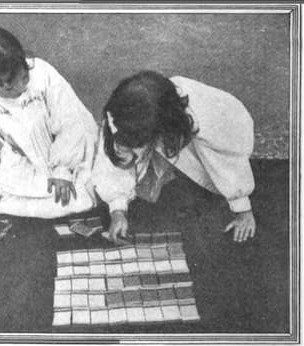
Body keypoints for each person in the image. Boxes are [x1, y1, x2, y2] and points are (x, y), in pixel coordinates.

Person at [92, 70, 256, 243]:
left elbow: (227, 159)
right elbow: (113, 157)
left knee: (208, 181)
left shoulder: (203, 117)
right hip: (166, 127)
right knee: (133, 162)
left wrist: (242, 208)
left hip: (227, 130)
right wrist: (118, 209)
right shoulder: (122, 113)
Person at [0, 26, 98, 220]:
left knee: (81, 198)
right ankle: (4, 203)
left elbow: (71, 120)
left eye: (24, 77)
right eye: (10, 86)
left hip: (60, 154)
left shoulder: (42, 72)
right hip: (18, 164)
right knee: (9, 205)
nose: (21, 87)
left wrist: (63, 168)